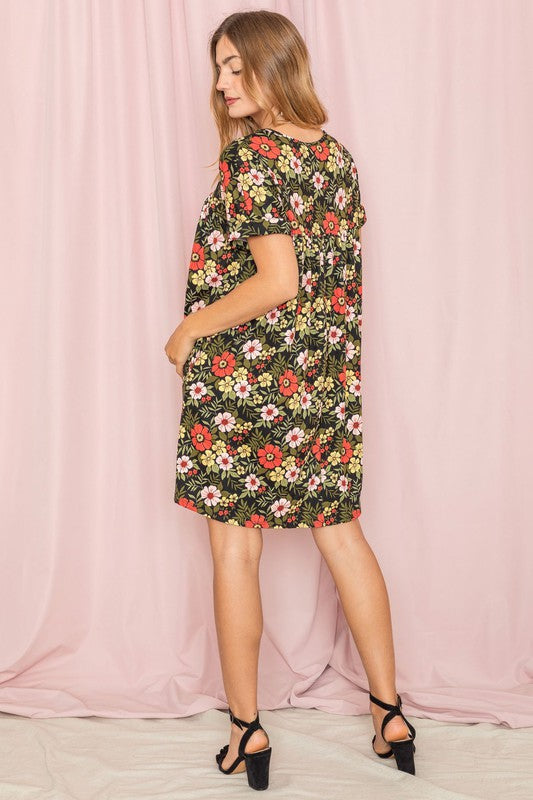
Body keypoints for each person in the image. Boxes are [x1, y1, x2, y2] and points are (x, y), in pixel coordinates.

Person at [164, 9, 416, 791]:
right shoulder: (335, 158)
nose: (222, 83)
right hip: (323, 384)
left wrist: (187, 330)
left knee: (235, 550)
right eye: (218, 69)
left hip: (247, 385)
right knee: (342, 537)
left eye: (238, 67)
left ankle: (248, 733)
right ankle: (389, 713)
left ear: (277, 63)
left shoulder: (256, 160)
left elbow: (279, 282)